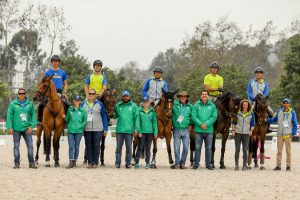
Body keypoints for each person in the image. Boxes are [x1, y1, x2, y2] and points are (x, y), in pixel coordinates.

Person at [6, 88, 37, 169]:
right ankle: (16, 163)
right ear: (18, 94)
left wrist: (32, 126)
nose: (21, 95)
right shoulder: (13, 104)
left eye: (23, 93)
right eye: (20, 93)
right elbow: (9, 116)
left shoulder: (30, 104)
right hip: (16, 129)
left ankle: (31, 163)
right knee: (16, 146)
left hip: (27, 129)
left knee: (30, 146)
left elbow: (34, 116)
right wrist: (9, 127)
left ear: (25, 94)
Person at [268, 98, 298, 171]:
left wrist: (293, 133)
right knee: (279, 151)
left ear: (289, 104)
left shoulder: (292, 112)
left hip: (288, 135)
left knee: (288, 152)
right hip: (280, 135)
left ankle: (288, 166)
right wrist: (267, 120)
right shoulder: (279, 111)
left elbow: (295, 124)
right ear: (282, 104)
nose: (286, 104)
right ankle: (278, 166)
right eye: (284, 103)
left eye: (287, 103)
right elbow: (274, 119)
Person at [81, 89, 108, 168]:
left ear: (96, 95)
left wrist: (105, 128)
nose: (91, 95)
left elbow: (104, 116)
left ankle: (95, 162)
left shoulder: (100, 104)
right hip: (87, 128)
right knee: (88, 145)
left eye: (93, 94)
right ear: (87, 94)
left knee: (96, 145)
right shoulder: (83, 104)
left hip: (98, 128)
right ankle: (90, 162)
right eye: (90, 93)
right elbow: (80, 116)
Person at [37, 54, 68, 123]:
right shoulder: (48, 72)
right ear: (51, 62)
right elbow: (43, 82)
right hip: (49, 92)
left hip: (59, 92)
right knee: (40, 104)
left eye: (57, 61)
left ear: (59, 62)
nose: (55, 63)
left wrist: (64, 92)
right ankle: (40, 120)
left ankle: (66, 120)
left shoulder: (62, 72)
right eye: (54, 61)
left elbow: (65, 83)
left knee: (67, 103)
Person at [191, 89, 217, 170]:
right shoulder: (196, 105)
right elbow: (193, 116)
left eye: (206, 94)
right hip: (198, 130)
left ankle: (208, 164)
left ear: (208, 96)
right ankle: (196, 164)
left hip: (209, 131)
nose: (204, 95)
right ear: (200, 95)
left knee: (209, 148)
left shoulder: (212, 105)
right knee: (197, 147)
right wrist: (200, 124)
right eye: (203, 94)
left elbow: (214, 116)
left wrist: (206, 124)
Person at [113, 90, 138, 169]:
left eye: (127, 96)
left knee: (129, 148)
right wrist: (111, 113)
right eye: (124, 96)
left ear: (129, 97)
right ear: (122, 97)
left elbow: (136, 118)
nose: (125, 97)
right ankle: (117, 163)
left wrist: (136, 129)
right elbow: (114, 116)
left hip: (129, 130)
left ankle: (128, 163)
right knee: (118, 148)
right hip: (119, 130)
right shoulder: (118, 105)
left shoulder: (133, 106)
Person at [63, 95, 87, 169]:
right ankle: (70, 162)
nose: (76, 102)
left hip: (79, 132)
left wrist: (80, 126)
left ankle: (74, 162)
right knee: (71, 147)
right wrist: (64, 117)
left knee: (76, 147)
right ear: (73, 101)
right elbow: (67, 120)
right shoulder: (70, 109)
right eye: (75, 100)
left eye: (78, 100)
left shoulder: (83, 111)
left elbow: (85, 121)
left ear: (80, 101)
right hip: (70, 131)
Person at [134, 97, 158, 169]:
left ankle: (147, 163)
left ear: (149, 103)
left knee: (148, 148)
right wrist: (139, 131)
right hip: (142, 132)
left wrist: (155, 131)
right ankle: (137, 162)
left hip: (150, 132)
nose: (146, 104)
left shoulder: (152, 111)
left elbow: (154, 122)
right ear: (143, 103)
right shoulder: (139, 111)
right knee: (140, 147)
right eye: (145, 102)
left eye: (147, 102)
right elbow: (138, 122)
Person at [171, 91, 193, 169]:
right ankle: (177, 163)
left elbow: (191, 116)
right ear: (179, 97)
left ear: (187, 97)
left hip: (186, 129)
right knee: (176, 147)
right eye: (181, 96)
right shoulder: (174, 105)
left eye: (184, 96)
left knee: (186, 148)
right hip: (176, 129)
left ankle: (182, 163)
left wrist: (191, 124)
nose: (183, 98)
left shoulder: (190, 106)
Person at [231, 99, 255, 171]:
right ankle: (236, 165)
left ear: (248, 106)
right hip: (238, 133)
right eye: (244, 105)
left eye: (246, 105)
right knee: (237, 149)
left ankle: (244, 165)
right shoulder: (237, 113)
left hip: (246, 134)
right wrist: (233, 130)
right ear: (241, 105)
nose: (245, 106)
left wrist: (251, 130)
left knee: (245, 150)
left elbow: (253, 124)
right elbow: (233, 122)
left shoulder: (251, 113)